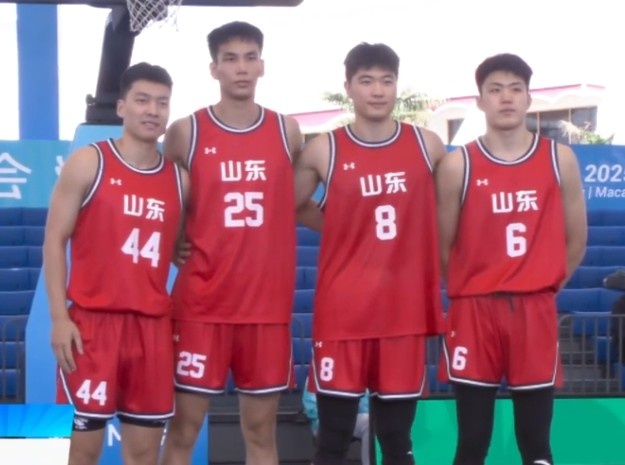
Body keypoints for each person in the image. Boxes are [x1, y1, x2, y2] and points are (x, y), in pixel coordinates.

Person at [160, 21, 309, 465]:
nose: (241, 68)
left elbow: (299, 201)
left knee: (261, 434)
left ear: (262, 65)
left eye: (249, 57)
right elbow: (163, 194)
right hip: (202, 305)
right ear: (214, 69)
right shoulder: (186, 131)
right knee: (183, 430)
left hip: (265, 308)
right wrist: (173, 240)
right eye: (230, 59)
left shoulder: (287, 131)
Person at [293, 42, 446, 465]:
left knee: (397, 439)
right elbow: (291, 203)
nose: (377, 91)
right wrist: (340, 227)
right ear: (348, 87)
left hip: (403, 311)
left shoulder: (428, 145)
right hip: (344, 311)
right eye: (366, 81)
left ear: (396, 86)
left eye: (386, 81)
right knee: (333, 437)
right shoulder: (325, 148)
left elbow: (454, 206)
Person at [436, 53, 587, 465]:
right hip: (474, 312)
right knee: (472, 442)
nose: (506, 98)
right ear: (480, 100)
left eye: (515, 89)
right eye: (496, 90)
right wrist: (474, 288)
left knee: (536, 444)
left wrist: (543, 286)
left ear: (528, 98)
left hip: (534, 309)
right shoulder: (457, 165)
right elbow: (442, 247)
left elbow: (576, 240)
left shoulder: (559, 158)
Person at [44, 62, 188, 465]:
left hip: (152, 329)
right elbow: (54, 240)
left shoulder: (180, 180)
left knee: (143, 455)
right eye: (142, 100)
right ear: (122, 107)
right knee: (80, 451)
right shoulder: (89, 162)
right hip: (92, 325)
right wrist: (59, 318)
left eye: (162, 102)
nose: (152, 110)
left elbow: (178, 245)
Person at [302, 377, 370, 465]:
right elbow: (311, 408)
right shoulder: (319, 373)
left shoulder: (359, 373)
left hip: (353, 419)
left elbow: (367, 406)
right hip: (325, 420)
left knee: (369, 423)